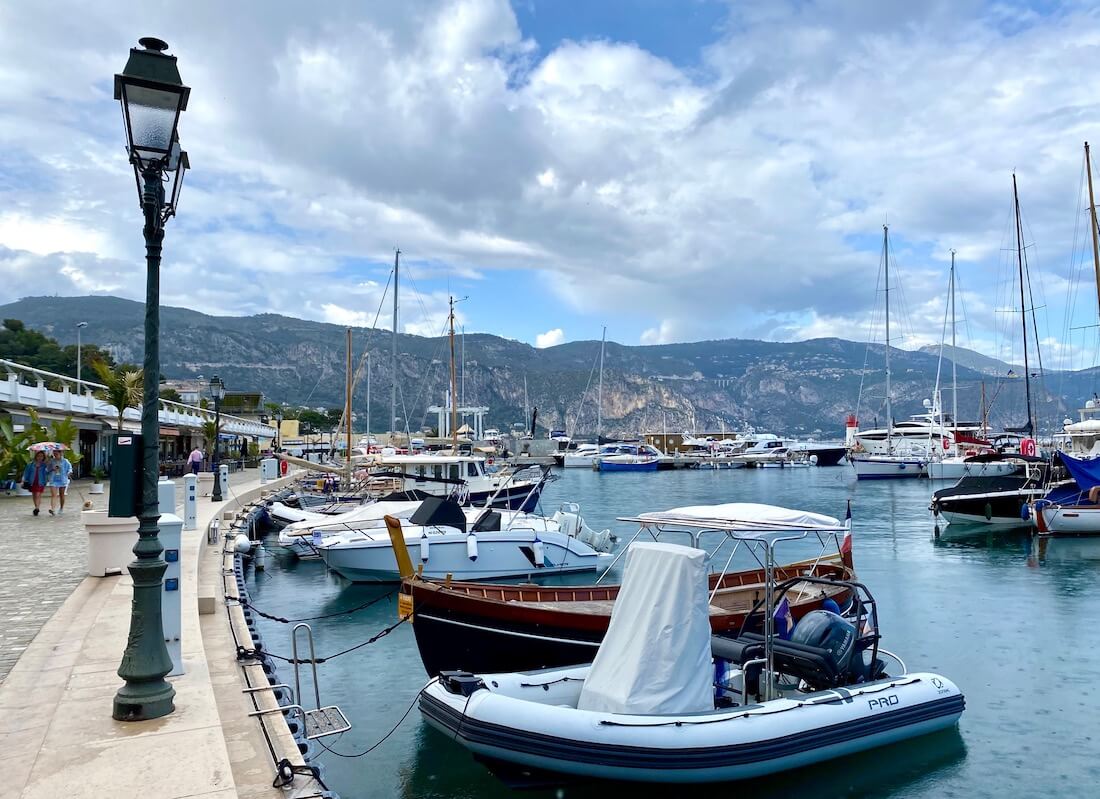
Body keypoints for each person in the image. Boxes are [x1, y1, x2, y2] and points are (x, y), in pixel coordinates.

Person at [21, 450, 49, 516]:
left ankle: (37, 508)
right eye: (38, 456)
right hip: (32, 481)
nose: (40, 458)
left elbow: (47, 472)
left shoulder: (44, 465)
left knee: (38, 494)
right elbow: (26, 473)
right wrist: (23, 480)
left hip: (41, 481)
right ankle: (36, 507)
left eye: (41, 456)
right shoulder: (30, 464)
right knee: (34, 494)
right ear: (36, 456)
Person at [46, 448, 72, 515]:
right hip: (53, 479)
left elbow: (70, 468)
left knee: (61, 495)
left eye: (56, 453)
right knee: (53, 495)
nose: (55, 455)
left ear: (60, 453)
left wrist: (69, 472)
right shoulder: (52, 461)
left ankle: (61, 508)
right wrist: (52, 468)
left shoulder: (65, 461)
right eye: (54, 453)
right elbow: (47, 470)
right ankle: (53, 509)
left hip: (62, 479)